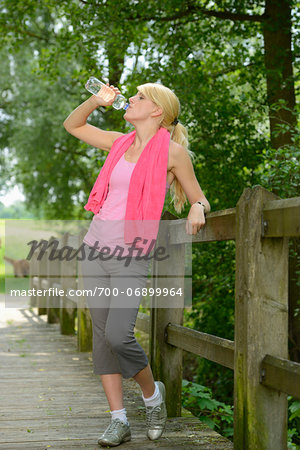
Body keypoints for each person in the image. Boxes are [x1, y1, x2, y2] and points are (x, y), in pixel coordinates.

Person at [63, 81, 210, 447]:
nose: (130, 99)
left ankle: (152, 397)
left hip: (132, 253)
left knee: (119, 334)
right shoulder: (118, 141)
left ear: (157, 111)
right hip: (95, 249)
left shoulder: (174, 154)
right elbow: (73, 125)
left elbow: (201, 199)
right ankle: (118, 420)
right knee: (101, 337)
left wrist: (196, 207)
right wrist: (96, 101)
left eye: (139, 97)